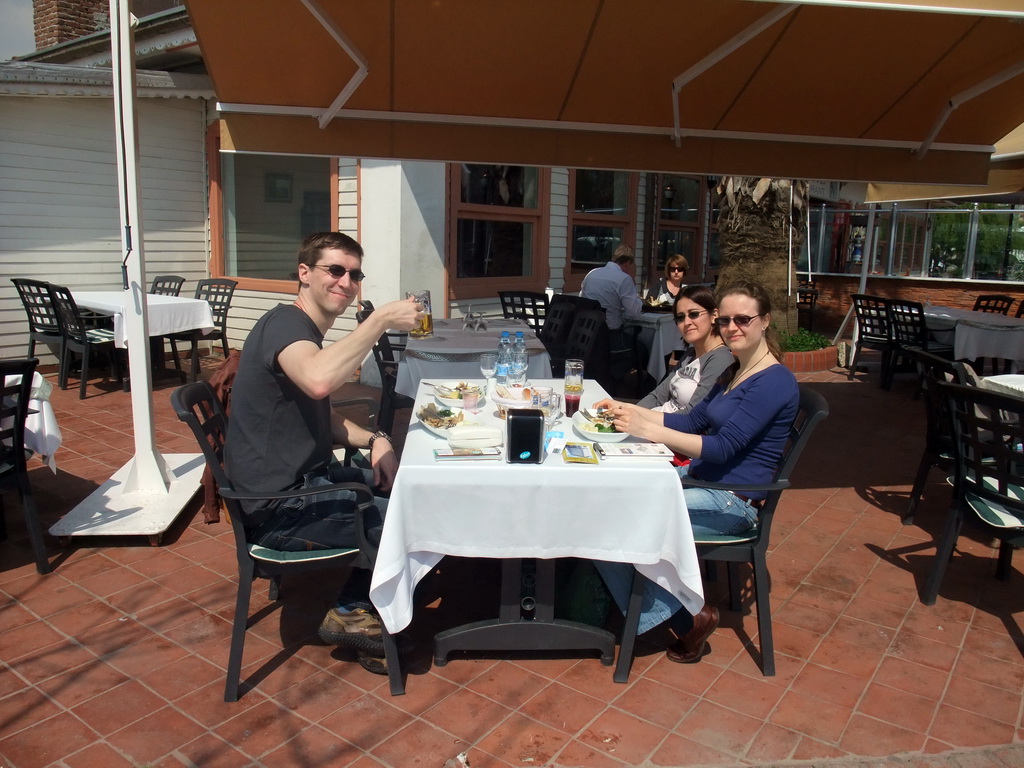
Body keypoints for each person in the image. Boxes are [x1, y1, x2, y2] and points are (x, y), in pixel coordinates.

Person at [225, 231, 423, 674]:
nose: (345, 282)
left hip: (302, 485)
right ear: (304, 274)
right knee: (402, 515)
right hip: (278, 509)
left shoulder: (302, 332)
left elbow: (322, 410)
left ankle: (362, 601)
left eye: (354, 274)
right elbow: (318, 381)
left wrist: (376, 441)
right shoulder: (285, 326)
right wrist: (380, 320)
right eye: (335, 270)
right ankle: (354, 612)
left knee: (403, 490)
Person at [593, 281, 799, 664]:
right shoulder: (734, 372)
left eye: (743, 319)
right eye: (726, 320)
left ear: (765, 321)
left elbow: (723, 446)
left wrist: (650, 430)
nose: (732, 327)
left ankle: (684, 618)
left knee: (609, 519)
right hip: (703, 480)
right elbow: (694, 421)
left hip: (734, 502)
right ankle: (670, 611)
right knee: (608, 497)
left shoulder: (773, 381)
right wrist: (629, 411)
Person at [637, 284, 734, 413]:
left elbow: (693, 416)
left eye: (693, 314)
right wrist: (629, 412)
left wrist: (640, 420)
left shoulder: (720, 359)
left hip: (665, 428)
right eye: (680, 317)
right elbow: (658, 396)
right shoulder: (689, 355)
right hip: (654, 421)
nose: (686, 322)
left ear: (714, 315)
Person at [581, 245, 646, 378]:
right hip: (610, 337)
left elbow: (584, 299)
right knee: (643, 349)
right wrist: (639, 300)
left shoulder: (592, 274)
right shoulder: (624, 279)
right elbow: (634, 312)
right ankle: (619, 381)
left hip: (587, 333)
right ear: (628, 263)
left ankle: (606, 377)